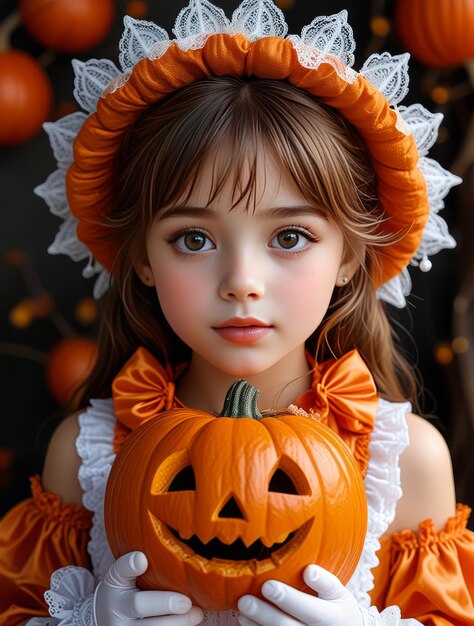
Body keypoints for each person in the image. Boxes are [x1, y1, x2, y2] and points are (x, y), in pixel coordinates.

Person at [1, 1, 473, 624]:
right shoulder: (85, 454)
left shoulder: (406, 461)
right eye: (193, 239)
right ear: (141, 256)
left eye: (290, 237)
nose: (241, 283)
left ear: (351, 256)